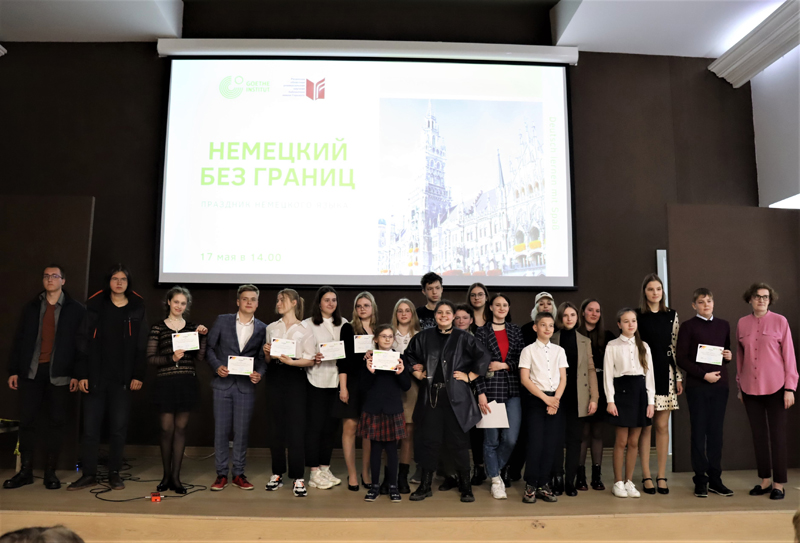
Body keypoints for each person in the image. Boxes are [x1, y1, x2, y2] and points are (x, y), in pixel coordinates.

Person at [4, 265, 85, 491]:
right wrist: (13, 370)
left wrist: (77, 374)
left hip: (60, 373)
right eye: (46, 276)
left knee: (56, 422)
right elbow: (19, 339)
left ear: (63, 281)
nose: (50, 279)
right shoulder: (32, 307)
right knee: (27, 421)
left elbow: (81, 345)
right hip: (31, 371)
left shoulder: (76, 309)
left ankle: (51, 472)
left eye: (55, 276)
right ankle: (25, 471)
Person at [68, 264, 148, 491]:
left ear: (128, 283)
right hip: (95, 378)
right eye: (115, 278)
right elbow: (82, 341)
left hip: (122, 380)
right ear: (109, 282)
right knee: (90, 430)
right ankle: (89, 474)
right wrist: (81, 374)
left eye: (123, 279)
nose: (119, 282)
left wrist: (138, 374)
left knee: (118, 430)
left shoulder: (137, 307)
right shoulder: (95, 305)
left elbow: (141, 344)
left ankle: (114, 473)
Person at [406, 300, 490, 502]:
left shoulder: (463, 337)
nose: (443, 315)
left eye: (447, 312)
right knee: (430, 442)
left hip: (456, 399)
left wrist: (470, 376)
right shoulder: (423, 337)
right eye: (440, 312)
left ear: (453, 316)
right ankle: (425, 486)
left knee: (459, 443)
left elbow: (484, 356)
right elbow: (408, 356)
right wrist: (416, 373)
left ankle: (466, 486)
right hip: (431, 398)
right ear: (435, 316)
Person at [737, 283, 797, 500]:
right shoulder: (742, 323)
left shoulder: (780, 321)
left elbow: (789, 356)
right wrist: (740, 386)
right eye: (757, 296)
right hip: (749, 388)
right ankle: (764, 480)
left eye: (765, 297)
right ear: (750, 299)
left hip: (777, 387)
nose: (761, 300)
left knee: (777, 436)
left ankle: (778, 484)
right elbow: (740, 358)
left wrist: (790, 387)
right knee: (759, 436)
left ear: (770, 300)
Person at [146, 287, 208, 494]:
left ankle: (176, 477)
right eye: (176, 302)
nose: (179, 306)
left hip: (186, 382)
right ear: (168, 302)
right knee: (166, 429)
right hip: (165, 383)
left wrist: (203, 337)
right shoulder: (158, 327)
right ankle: (165, 476)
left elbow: (200, 357)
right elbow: (150, 358)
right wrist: (170, 358)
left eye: (183, 303)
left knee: (181, 429)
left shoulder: (192, 327)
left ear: (186, 305)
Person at [205, 284, 267, 492]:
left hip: (245, 387)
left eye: (253, 299)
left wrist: (259, 373)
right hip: (222, 385)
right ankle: (221, 474)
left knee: (242, 433)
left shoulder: (263, 328)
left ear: (257, 303)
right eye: (245, 298)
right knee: (221, 432)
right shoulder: (223, 320)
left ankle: (239, 474)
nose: (249, 302)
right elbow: (209, 348)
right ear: (238, 301)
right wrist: (217, 366)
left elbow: (262, 358)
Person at [676, 288, 733, 498]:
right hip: (698, 387)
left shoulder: (724, 325)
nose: (706, 305)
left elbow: (724, 353)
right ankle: (700, 479)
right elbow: (681, 358)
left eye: (709, 301)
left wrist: (728, 356)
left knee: (716, 433)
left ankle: (715, 479)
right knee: (699, 432)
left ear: (713, 303)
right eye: (701, 302)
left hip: (720, 386)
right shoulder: (688, 326)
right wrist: (703, 375)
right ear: (694, 305)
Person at [263, 289, 317, 497]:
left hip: (295, 378)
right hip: (275, 377)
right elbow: (268, 359)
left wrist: (292, 362)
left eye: (282, 300)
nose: (278, 303)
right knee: (275, 427)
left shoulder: (305, 329)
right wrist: (267, 353)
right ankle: (277, 473)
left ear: (294, 302)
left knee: (296, 428)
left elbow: (310, 359)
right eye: (277, 300)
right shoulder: (271, 328)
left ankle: (298, 476)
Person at [474, 294, 524, 500]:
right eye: (497, 305)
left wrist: (504, 365)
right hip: (490, 391)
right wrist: (480, 393)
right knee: (491, 440)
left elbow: (522, 359)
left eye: (505, 305)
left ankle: (492, 468)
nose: (501, 308)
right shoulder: (481, 332)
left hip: (512, 390)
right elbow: (476, 365)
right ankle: (496, 480)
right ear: (491, 307)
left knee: (510, 439)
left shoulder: (515, 330)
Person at [636, 273, 682, 495]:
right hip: (643, 373)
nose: (655, 293)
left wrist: (678, 376)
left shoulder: (672, 315)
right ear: (644, 292)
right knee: (645, 427)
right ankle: (646, 475)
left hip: (666, 372)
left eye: (658, 289)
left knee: (662, 426)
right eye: (650, 289)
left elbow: (675, 347)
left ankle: (661, 475)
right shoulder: (636, 315)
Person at [604, 308, 655, 499]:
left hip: (640, 393)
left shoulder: (644, 346)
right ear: (619, 324)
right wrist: (610, 400)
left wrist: (650, 402)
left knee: (634, 441)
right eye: (626, 321)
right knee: (621, 441)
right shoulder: (612, 346)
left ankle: (629, 481)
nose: (631, 324)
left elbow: (649, 375)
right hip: (622, 393)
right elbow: (608, 375)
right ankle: (618, 482)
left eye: (633, 320)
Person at [550, 301, 599, 497]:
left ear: (577, 317)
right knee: (555, 439)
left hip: (578, 396)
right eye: (565, 315)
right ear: (560, 318)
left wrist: (594, 397)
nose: (569, 318)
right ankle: (557, 478)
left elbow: (590, 370)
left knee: (574, 440)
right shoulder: (552, 338)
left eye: (572, 315)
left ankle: (570, 480)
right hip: (555, 396)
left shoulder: (584, 341)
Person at [518, 311, 566, 504]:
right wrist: (546, 399)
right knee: (535, 443)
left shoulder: (559, 351)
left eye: (551, 325)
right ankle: (530, 484)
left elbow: (563, 379)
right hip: (537, 400)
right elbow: (525, 379)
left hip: (555, 399)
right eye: (543, 325)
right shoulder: (528, 350)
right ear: (535, 327)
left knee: (550, 444)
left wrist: (555, 400)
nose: (548, 328)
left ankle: (543, 484)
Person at [359, 324, 411, 502]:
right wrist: (370, 372)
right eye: (383, 336)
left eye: (390, 336)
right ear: (376, 339)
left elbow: (406, 386)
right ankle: (375, 486)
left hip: (392, 409)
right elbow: (363, 387)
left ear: (393, 339)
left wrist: (401, 373)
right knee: (375, 449)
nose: (387, 339)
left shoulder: (400, 358)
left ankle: (393, 486)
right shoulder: (369, 358)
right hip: (374, 408)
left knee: (392, 450)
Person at [509, 291, 556, 484]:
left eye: (548, 303)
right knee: (526, 434)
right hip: (529, 389)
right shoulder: (526, 330)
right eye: (541, 303)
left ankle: (547, 476)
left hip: (553, 392)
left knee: (549, 438)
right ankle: (515, 470)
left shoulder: (557, 330)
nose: (545, 306)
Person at [304, 286, 348, 490]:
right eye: (327, 300)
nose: (331, 303)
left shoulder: (344, 323)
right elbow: (302, 352)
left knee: (331, 428)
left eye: (334, 300)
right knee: (315, 427)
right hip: (316, 380)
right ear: (319, 303)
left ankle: (324, 467)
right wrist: (313, 357)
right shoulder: (308, 324)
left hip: (337, 382)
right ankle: (314, 472)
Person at [336, 292, 377, 491]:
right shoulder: (348, 328)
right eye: (359, 305)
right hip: (352, 384)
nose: (362, 309)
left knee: (368, 432)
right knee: (350, 428)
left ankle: (365, 472)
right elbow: (343, 360)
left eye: (366, 305)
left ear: (373, 307)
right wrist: (343, 387)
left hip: (373, 385)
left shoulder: (379, 330)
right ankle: (352, 473)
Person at [576, 298, 616, 491]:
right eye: (590, 310)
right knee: (583, 433)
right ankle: (580, 476)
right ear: (583, 312)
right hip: (581, 386)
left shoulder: (608, 336)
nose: (594, 314)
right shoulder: (575, 334)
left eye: (597, 311)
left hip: (602, 386)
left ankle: (597, 476)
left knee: (598, 433)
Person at [392, 298, 422, 492]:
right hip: (390, 386)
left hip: (412, 387)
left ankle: (402, 476)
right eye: (400, 311)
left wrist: (421, 365)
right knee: (390, 435)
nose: (403, 314)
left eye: (407, 310)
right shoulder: (387, 333)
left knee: (408, 433)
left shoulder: (421, 336)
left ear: (413, 314)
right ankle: (390, 475)